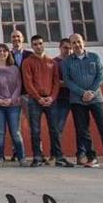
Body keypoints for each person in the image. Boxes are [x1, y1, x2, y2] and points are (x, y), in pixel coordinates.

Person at [62, 33, 103, 169]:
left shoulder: (94, 57)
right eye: (73, 43)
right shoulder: (67, 61)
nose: (77, 45)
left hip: (96, 99)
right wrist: (83, 93)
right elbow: (67, 80)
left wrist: (91, 92)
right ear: (71, 46)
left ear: (84, 42)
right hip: (77, 101)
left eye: (79, 42)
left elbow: (100, 76)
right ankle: (92, 157)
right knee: (83, 131)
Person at [22, 34, 74, 168]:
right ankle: (37, 157)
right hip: (35, 101)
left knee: (54, 129)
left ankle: (59, 157)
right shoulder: (28, 62)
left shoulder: (52, 62)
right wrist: (38, 98)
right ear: (32, 46)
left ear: (43, 44)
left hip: (51, 100)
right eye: (35, 44)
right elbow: (28, 83)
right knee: (35, 130)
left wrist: (52, 97)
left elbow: (56, 82)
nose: (38, 46)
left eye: (40, 43)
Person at [0, 43, 26, 167]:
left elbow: (19, 86)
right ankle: (0, 157)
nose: (2, 53)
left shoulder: (14, 69)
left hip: (13, 105)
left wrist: (11, 99)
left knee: (15, 132)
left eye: (4, 51)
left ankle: (21, 158)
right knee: (0, 132)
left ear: (8, 53)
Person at [53, 38, 93, 164]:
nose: (68, 50)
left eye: (70, 47)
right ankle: (55, 154)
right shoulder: (55, 62)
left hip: (78, 98)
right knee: (58, 127)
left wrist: (73, 85)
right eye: (65, 47)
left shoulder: (76, 61)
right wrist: (71, 84)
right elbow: (54, 82)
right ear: (60, 48)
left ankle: (81, 154)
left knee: (81, 128)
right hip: (62, 99)